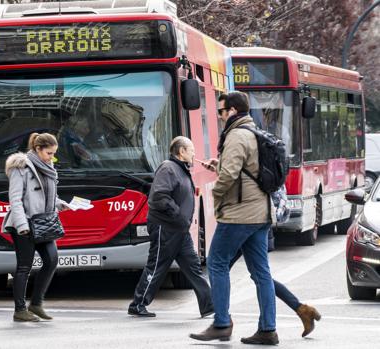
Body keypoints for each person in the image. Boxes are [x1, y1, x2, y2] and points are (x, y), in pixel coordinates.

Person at [190, 92, 278, 345]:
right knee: (261, 272)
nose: (219, 116)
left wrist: (215, 193)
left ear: (233, 110)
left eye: (221, 111)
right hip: (260, 211)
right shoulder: (253, 131)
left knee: (217, 262)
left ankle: (221, 323)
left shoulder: (237, 135)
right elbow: (243, 170)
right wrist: (218, 165)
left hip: (240, 213)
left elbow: (229, 176)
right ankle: (268, 330)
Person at [199, 163, 321, 338]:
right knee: (259, 274)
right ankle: (300, 309)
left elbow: (240, 177)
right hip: (261, 218)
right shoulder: (262, 154)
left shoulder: (245, 144)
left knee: (221, 267)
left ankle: (224, 321)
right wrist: (219, 165)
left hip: (247, 219)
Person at [128, 136, 213, 318]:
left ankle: (210, 306)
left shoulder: (180, 169)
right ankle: (138, 304)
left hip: (179, 229)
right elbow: (159, 197)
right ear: (181, 152)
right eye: (191, 150)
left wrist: (181, 221)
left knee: (193, 267)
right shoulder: (168, 168)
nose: (194, 153)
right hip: (165, 227)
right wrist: (178, 216)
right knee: (157, 265)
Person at [3, 133, 69, 322]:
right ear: (38, 149)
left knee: (51, 260)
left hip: (43, 222)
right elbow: (15, 199)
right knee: (24, 266)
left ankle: (36, 304)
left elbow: (46, 196)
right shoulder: (20, 167)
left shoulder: (48, 166)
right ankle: (20, 309)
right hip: (23, 223)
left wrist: (60, 204)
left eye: (54, 154)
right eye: (49, 153)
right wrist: (23, 226)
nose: (52, 157)